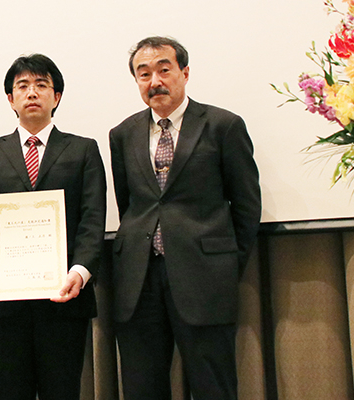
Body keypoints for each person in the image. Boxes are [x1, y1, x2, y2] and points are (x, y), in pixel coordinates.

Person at [108, 36, 262, 400]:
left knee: (213, 387)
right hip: (138, 281)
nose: (154, 81)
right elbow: (129, 202)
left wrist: (225, 263)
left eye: (164, 69)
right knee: (142, 388)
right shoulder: (123, 134)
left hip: (204, 277)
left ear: (185, 72)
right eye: (143, 74)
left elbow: (246, 205)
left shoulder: (223, 125)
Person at [0, 53, 106, 400]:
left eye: (42, 85)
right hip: (5, 304)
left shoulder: (84, 150)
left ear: (57, 97)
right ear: (10, 99)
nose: (32, 93)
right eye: (22, 86)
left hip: (64, 299)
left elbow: (92, 220)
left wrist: (81, 271)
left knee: (63, 391)